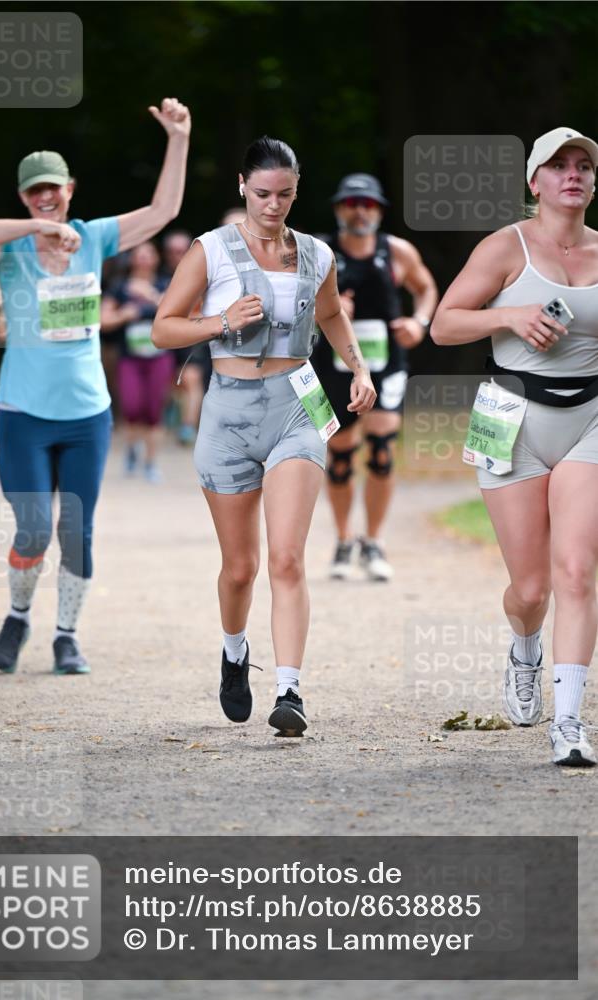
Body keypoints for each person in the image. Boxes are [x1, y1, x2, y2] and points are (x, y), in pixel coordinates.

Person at [0, 97, 191, 676]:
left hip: (87, 414)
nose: (46, 196)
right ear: (24, 197)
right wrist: (39, 228)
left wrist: (178, 138)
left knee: (77, 534)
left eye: (53, 188)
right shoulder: (10, 245)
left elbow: (163, 211)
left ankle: (67, 637)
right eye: (35, 190)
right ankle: (17, 616)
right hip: (24, 412)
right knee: (34, 529)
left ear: (71, 188)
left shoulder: (93, 237)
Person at [153, 136, 376, 735]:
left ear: (296, 190)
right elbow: (163, 329)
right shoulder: (211, 251)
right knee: (240, 567)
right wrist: (222, 321)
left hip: (296, 408)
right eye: (261, 194)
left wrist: (357, 366)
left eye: (284, 194)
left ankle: (289, 690)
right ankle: (233, 652)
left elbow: (330, 315)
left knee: (286, 557)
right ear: (242, 187)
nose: (272, 205)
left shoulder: (315, 255)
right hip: (228, 411)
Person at [431, 126, 598, 767]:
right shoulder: (505, 248)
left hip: (588, 419)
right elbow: (443, 325)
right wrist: (507, 316)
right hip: (509, 416)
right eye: (559, 166)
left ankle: (570, 721)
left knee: (577, 572)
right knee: (530, 590)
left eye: (583, 166)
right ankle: (524, 651)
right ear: (535, 182)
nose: (573, 175)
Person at [311, 174, 438, 581]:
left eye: (367, 203)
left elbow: (426, 288)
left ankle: (375, 540)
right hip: (332, 366)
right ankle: (345, 540)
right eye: (351, 203)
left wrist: (419, 322)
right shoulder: (320, 254)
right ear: (338, 209)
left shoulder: (397, 251)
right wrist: (325, 306)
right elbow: (292, 307)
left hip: (386, 363)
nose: (359, 210)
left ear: (379, 211)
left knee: (381, 452)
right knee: (341, 456)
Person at [101, 240, 174, 482]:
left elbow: (180, 310)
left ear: (156, 258)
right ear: (132, 259)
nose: (143, 259)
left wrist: (150, 296)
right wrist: (125, 314)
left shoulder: (166, 284)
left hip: (159, 357)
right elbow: (103, 320)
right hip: (129, 358)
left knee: (154, 410)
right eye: (138, 254)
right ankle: (132, 449)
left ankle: (151, 463)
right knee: (132, 407)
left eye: (148, 254)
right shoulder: (119, 287)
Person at [160, 229, 211, 445]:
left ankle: (188, 426)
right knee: (173, 381)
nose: (176, 255)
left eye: (181, 251)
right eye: (172, 251)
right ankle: (174, 412)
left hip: (194, 336)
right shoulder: (160, 277)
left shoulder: (203, 274)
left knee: (192, 377)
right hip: (166, 336)